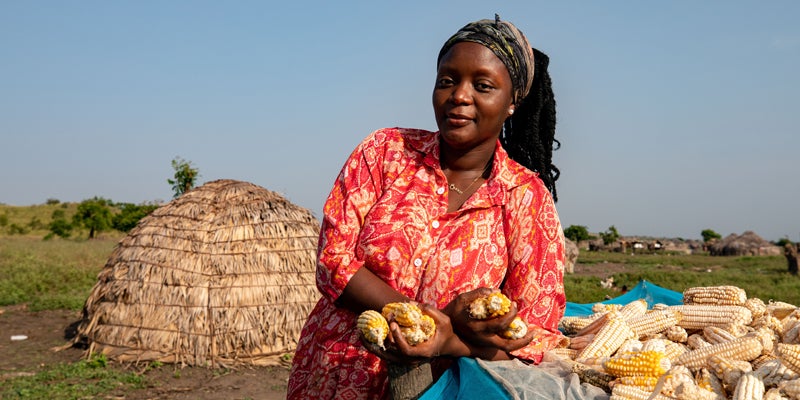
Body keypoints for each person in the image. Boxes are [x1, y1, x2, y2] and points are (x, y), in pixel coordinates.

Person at [288, 15, 566, 399]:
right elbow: (333, 261)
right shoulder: (385, 152)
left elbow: (537, 333)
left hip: (439, 387)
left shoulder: (524, 197)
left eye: (482, 86)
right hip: (337, 372)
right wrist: (425, 319)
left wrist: (449, 342)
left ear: (512, 103)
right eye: (447, 81)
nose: (459, 96)